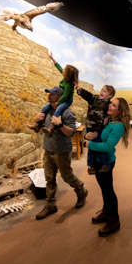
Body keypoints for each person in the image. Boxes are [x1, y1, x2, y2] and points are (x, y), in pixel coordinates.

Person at [34, 86, 88, 220]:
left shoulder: (67, 113)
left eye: (52, 94)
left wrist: (59, 124)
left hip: (62, 151)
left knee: (67, 176)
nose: (49, 96)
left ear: (59, 96)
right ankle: (50, 204)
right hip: (48, 149)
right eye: (49, 93)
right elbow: (39, 129)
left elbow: (71, 132)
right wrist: (36, 120)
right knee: (49, 178)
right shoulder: (46, 110)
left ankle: (81, 190)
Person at [85, 98, 131, 237]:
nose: (110, 105)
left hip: (106, 162)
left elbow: (108, 146)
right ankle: (106, 212)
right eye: (111, 103)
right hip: (98, 160)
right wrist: (87, 136)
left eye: (114, 105)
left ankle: (114, 220)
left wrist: (88, 145)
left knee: (108, 190)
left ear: (119, 110)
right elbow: (95, 133)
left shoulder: (118, 126)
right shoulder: (108, 120)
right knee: (104, 189)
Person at [27, 52, 78, 137]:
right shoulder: (65, 78)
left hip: (67, 101)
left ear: (68, 74)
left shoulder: (69, 84)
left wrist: (58, 103)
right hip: (62, 98)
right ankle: (38, 125)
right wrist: (53, 59)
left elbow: (65, 96)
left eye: (65, 69)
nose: (63, 70)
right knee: (45, 107)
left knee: (58, 110)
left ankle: (51, 129)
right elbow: (59, 68)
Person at [74, 83, 116, 174]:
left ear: (110, 96)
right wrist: (80, 89)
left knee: (99, 145)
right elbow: (87, 95)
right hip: (90, 126)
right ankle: (91, 165)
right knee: (91, 146)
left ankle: (105, 164)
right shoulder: (94, 98)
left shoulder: (109, 104)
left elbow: (111, 112)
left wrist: (107, 117)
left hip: (99, 128)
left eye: (105, 91)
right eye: (101, 90)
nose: (102, 92)